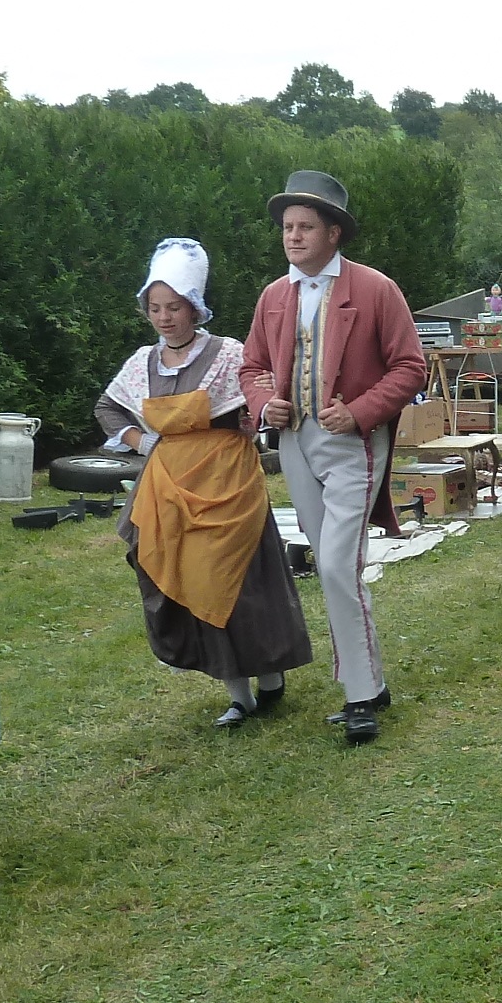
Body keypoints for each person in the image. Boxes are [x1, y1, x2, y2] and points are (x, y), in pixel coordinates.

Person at [241, 170, 429, 746]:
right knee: (329, 566)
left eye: (304, 227)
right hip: (296, 443)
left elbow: (410, 367)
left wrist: (363, 412)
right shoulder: (275, 296)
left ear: (333, 234)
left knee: (335, 566)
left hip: (352, 445)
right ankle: (369, 681)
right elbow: (250, 367)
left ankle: (360, 698)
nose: (292, 237)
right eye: (287, 228)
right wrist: (262, 403)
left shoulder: (375, 289)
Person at [98, 239, 311, 729]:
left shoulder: (226, 354)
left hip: (226, 481)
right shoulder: (141, 363)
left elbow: (259, 396)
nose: (164, 317)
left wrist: (252, 421)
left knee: (241, 582)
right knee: (192, 579)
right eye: (155, 308)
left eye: (173, 307)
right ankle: (238, 693)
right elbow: (107, 409)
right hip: (168, 484)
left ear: (194, 308)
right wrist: (143, 441)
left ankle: (271, 673)